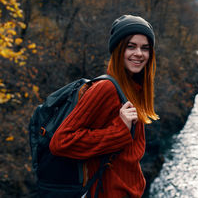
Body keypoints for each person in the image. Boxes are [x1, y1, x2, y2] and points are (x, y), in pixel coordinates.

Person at [49, 15, 159, 198]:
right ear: (118, 50)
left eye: (145, 48)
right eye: (131, 46)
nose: (139, 53)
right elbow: (60, 142)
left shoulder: (133, 89)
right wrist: (119, 131)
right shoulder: (105, 89)